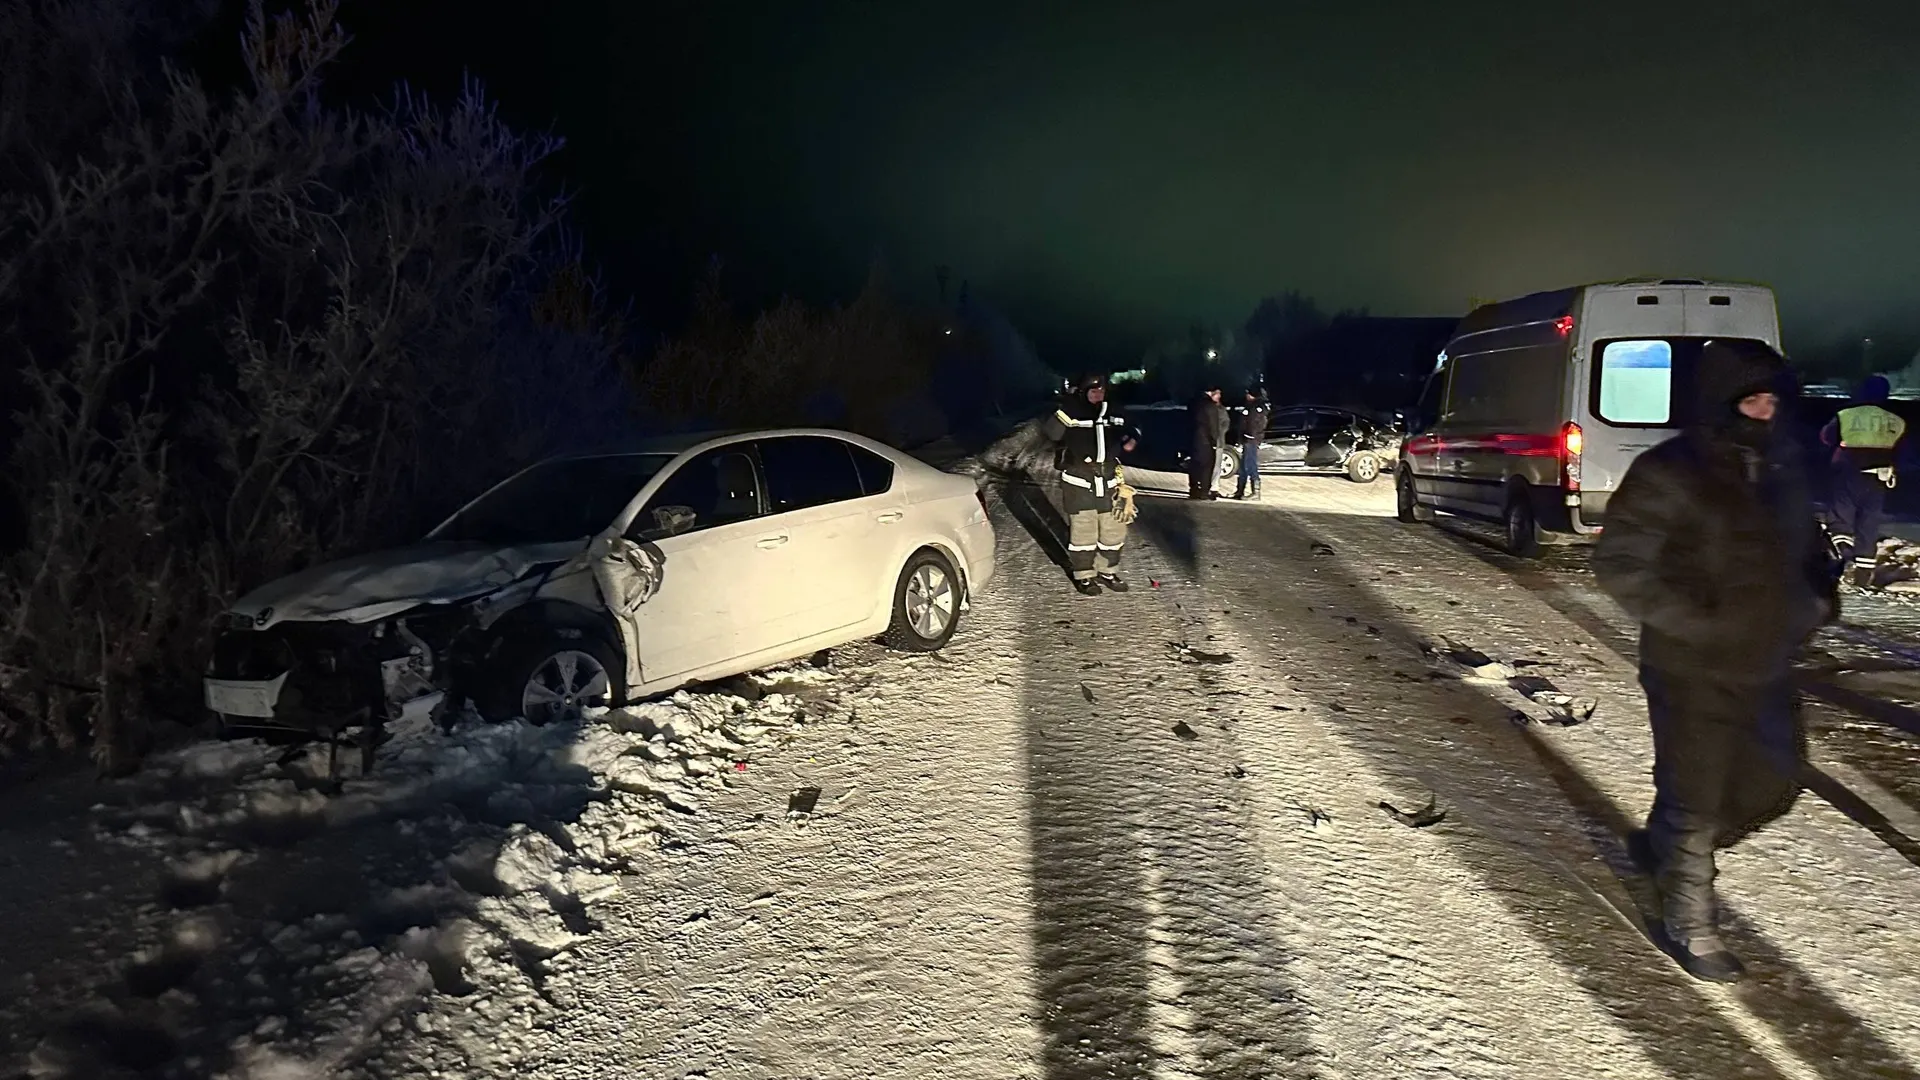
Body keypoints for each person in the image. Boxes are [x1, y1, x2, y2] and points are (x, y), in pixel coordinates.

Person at [1592, 339, 1836, 983]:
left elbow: (1804, 554)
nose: (1765, 411)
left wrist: (1814, 600)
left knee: (1773, 784)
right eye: (1751, 400)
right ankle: (1690, 921)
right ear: (1721, 402)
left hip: (1766, 661)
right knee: (1696, 798)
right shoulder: (1671, 470)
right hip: (1690, 667)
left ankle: (1665, 846)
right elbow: (1619, 563)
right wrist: (1699, 623)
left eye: (1772, 400)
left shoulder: (1782, 470)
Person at [1040, 373, 1138, 596]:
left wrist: (1132, 438)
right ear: (1083, 392)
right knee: (1084, 532)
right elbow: (1051, 433)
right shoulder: (1072, 410)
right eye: (1092, 391)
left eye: (1101, 390)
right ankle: (1084, 575)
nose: (1097, 394)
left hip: (1110, 480)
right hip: (1079, 482)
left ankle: (1107, 571)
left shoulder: (1114, 410)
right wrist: (1067, 409)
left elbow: (1135, 427)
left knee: (1113, 530)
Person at [1819, 374, 1907, 588]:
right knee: (1869, 522)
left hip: (1849, 472)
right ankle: (1863, 575)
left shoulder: (1846, 415)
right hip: (1880, 477)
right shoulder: (1897, 421)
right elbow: (1901, 451)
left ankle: (1844, 555)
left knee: (1841, 517)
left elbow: (1826, 437)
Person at [1231, 386, 1272, 500]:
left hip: (1251, 440)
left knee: (1250, 465)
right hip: (1247, 439)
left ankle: (1256, 492)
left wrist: (1250, 435)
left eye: (1248, 393)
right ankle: (1240, 491)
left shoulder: (1256, 407)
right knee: (1243, 466)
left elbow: (1255, 424)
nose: (1246, 395)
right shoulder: (1251, 405)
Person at [1189, 384, 1229, 500]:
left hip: (1194, 440)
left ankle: (1194, 490)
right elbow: (1213, 426)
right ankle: (1204, 492)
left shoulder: (1194, 403)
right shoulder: (1210, 406)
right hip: (1206, 441)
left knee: (1195, 466)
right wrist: (1214, 440)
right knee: (1206, 467)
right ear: (1211, 393)